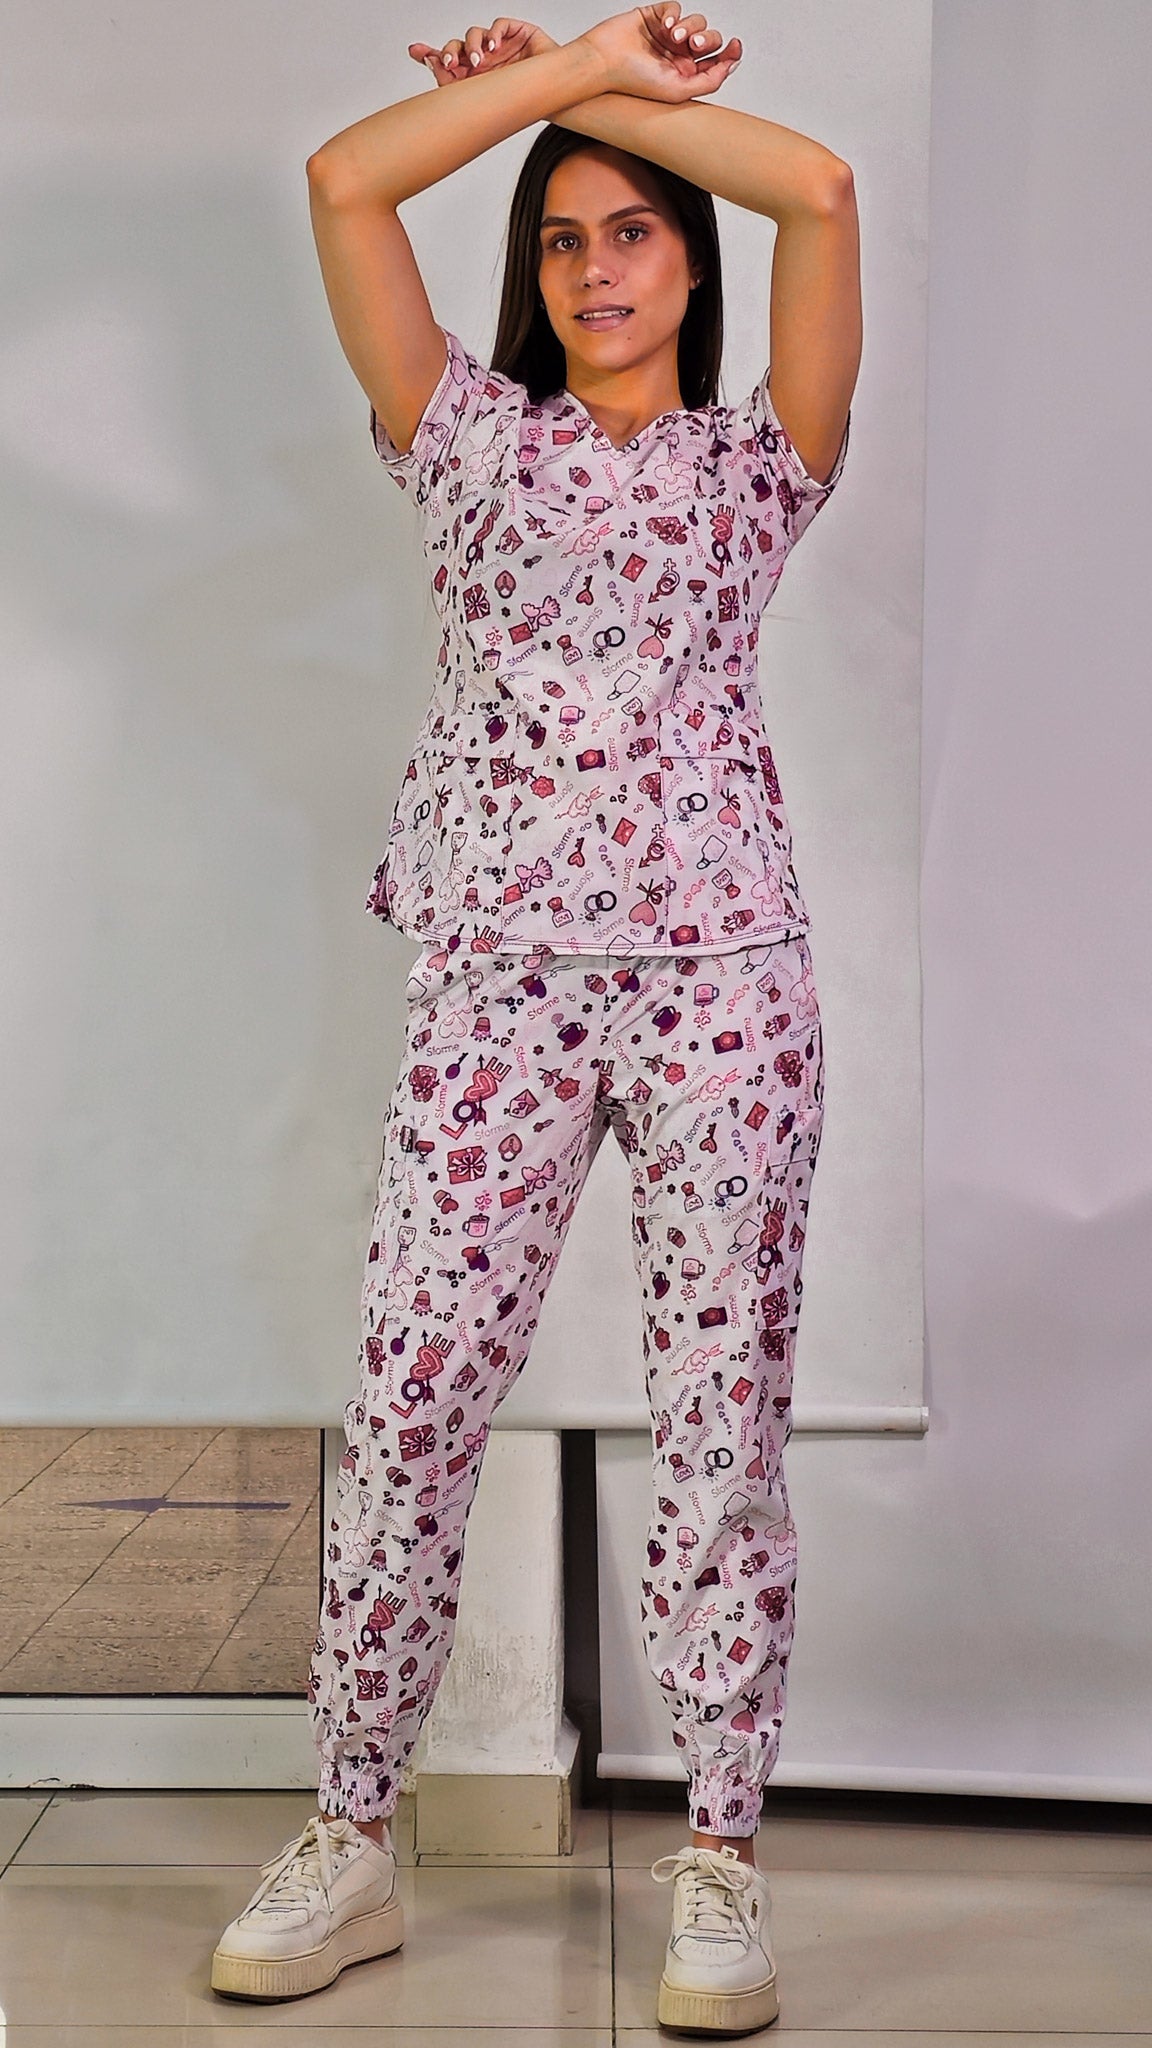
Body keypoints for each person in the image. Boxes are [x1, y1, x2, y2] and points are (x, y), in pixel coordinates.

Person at [211, 5, 859, 2034]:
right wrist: (574, 65)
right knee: (411, 1392)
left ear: (689, 263)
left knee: (721, 1419)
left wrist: (603, 93)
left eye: (634, 231)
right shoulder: (465, 438)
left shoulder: (761, 464)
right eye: (563, 236)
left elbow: (822, 190)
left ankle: (722, 1859)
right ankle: (351, 1835)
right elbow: (346, 181)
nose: (595, 267)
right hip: (496, 977)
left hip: (722, 979)